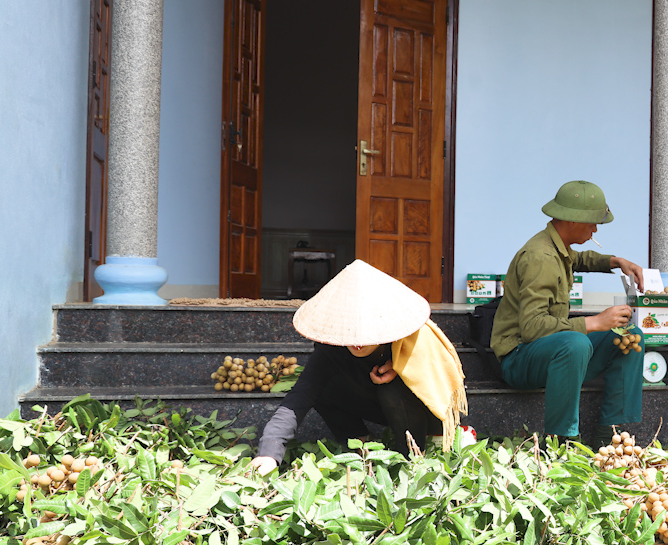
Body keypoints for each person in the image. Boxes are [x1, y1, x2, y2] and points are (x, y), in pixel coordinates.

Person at [248, 260, 467, 473]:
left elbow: (441, 383)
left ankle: (412, 458)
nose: (357, 340)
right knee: (322, 388)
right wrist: (268, 453)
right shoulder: (332, 347)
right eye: (351, 329)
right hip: (375, 404)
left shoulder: (414, 339)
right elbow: (300, 396)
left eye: (366, 329)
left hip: (422, 411)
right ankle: (361, 444)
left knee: (392, 389)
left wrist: (403, 369)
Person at [491, 180, 647, 444]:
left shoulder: (558, 247)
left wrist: (618, 261)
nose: (596, 228)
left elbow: (581, 259)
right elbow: (531, 327)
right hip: (519, 358)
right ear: (572, 220)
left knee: (629, 336)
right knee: (576, 342)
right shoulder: (540, 257)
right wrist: (595, 322)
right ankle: (563, 442)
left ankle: (613, 436)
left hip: (553, 354)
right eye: (592, 222)